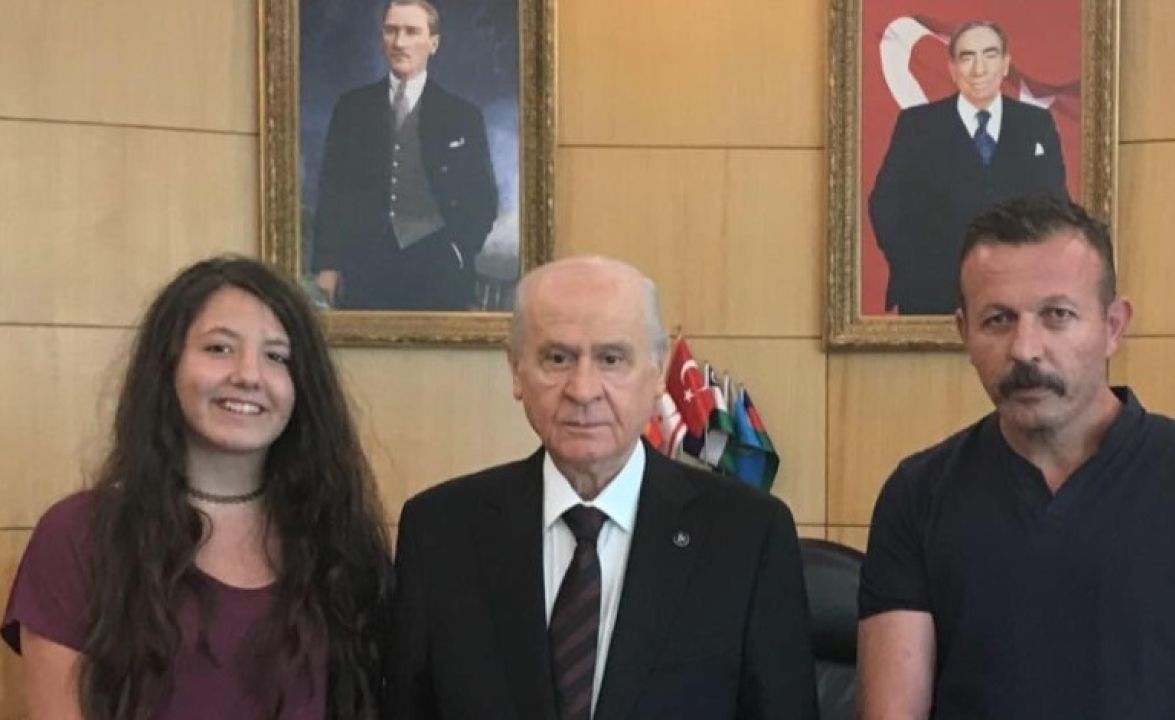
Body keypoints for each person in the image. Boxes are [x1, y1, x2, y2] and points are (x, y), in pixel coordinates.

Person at [857, 195, 1175, 719]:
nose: (1025, 349)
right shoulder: (917, 493)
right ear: (964, 333)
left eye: (1057, 315)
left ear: (1113, 326)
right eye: (997, 320)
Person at [385, 256, 818, 719]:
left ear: (657, 371)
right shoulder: (439, 533)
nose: (583, 389)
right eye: (557, 358)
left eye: (611, 359)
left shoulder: (748, 536)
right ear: (516, 370)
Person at [2, 257, 393, 719]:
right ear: (167, 366)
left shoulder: (341, 540)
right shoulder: (79, 534)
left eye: (276, 356)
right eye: (219, 348)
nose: (248, 375)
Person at [868, 20, 1069, 315]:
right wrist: (914, 268)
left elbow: (1056, 206)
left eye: (990, 55)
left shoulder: (1035, 124)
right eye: (967, 57)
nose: (979, 69)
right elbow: (885, 204)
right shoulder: (918, 125)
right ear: (952, 68)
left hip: (1018, 296)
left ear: (1005, 64)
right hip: (932, 296)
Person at [313, 0, 498, 311]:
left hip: (438, 267)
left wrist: (458, 249)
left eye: (412, 32)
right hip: (364, 266)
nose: (399, 42)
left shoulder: (462, 115)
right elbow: (332, 192)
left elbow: (483, 198)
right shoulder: (352, 108)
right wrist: (328, 265)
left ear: (433, 43)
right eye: (391, 31)